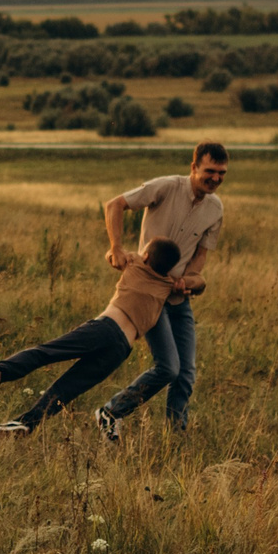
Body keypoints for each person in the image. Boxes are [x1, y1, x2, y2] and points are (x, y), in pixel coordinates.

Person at [0, 238, 186, 435]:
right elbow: (198, 284)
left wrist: (115, 252)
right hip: (120, 350)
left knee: (45, 353)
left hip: (104, 329)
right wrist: (184, 284)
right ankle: (27, 424)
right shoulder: (167, 286)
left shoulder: (135, 263)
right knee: (67, 389)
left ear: (146, 255)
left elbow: (113, 256)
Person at [92, 141, 227, 440]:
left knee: (186, 373)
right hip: (149, 294)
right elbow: (115, 204)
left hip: (178, 298)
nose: (216, 179)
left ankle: (175, 439)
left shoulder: (215, 209)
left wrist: (189, 281)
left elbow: (199, 259)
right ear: (193, 168)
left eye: (222, 173)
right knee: (168, 368)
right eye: (210, 171)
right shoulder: (165, 187)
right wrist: (116, 248)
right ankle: (111, 413)